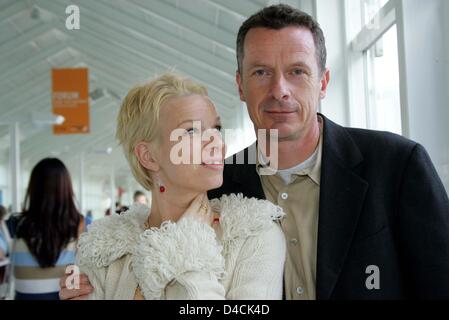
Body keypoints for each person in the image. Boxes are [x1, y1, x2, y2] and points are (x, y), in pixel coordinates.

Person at [60, 4, 449, 300]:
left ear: (324, 82)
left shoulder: (397, 165)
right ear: (240, 85)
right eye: (261, 72)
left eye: (298, 71)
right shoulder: (217, 187)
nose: (280, 90)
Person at [66, 73, 285, 300]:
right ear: (148, 156)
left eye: (216, 129)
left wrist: (189, 247)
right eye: (192, 131)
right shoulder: (104, 246)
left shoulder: (253, 235)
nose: (217, 143)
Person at [10, 158, 84, 300]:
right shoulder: (78, 223)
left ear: (33, 188)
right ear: (66, 188)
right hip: (64, 297)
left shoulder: (16, 224)